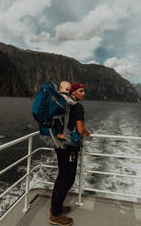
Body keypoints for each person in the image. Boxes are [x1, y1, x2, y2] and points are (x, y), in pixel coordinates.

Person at [49, 82, 91, 226]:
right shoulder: (77, 107)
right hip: (69, 147)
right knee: (68, 179)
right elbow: (80, 130)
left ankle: (55, 207)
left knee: (61, 176)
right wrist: (87, 132)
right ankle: (55, 215)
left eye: (83, 91)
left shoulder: (64, 105)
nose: (83, 93)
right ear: (73, 93)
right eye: (81, 91)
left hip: (59, 144)